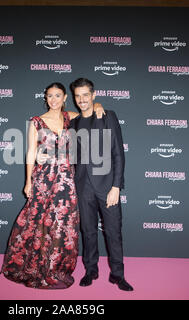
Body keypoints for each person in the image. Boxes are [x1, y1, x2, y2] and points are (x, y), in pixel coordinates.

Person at [0, 82, 104, 289]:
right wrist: (28, 181)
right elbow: (30, 152)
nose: (53, 99)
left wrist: (98, 104)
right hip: (43, 178)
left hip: (66, 180)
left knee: (63, 224)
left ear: (65, 98)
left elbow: (89, 111)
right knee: (39, 222)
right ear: (45, 98)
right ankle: (36, 266)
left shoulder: (70, 117)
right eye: (49, 96)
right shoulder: (36, 122)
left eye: (58, 95)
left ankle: (56, 268)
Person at [69, 78, 133, 291]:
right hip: (83, 187)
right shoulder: (74, 123)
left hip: (107, 187)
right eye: (78, 96)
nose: (82, 99)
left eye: (86, 95)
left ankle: (118, 274)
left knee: (113, 232)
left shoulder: (107, 116)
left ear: (94, 95)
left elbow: (118, 153)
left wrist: (116, 186)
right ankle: (91, 270)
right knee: (88, 231)